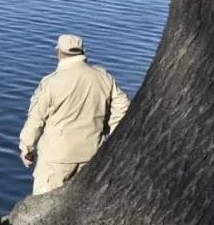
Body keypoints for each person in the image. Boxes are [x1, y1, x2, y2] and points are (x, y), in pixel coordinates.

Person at [19, 34, 131, 195]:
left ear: (59, 54)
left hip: (57, 156)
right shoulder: (103, 77)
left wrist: (26, 146)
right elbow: (123, 106)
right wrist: (112, 135)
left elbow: (36, 118)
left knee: (44, 202)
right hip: (92, 152)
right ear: (82, 52)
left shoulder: (51, 82)